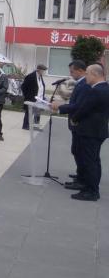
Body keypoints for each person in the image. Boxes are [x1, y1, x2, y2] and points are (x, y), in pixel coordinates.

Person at [58, 65, 109, 201]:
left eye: (87, 74)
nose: (86, 76)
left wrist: (75, 119)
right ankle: (90, 187)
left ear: (94, 74)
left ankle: (91, 191)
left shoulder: (97, 90)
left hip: (90, 131)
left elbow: (83, 108)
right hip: (97, 130)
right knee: (94, 161)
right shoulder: (104, 88)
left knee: (90, 162)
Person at [53, 60, 90, 188]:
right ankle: (80, 175)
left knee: (80, 152)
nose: (70, 74)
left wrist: (61, 107)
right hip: (75, 124)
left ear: (80, 71)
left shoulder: (85, 84)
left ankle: (82, 179)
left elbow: (78, 105)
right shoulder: (80, 83)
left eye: (72, 71)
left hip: (80, 124)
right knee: (76, 150)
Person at [21, 64, 48, 130]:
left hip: (39, 99)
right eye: (43, 71)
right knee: (29, 113)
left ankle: (36, 126)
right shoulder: (31, 76)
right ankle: (25, 126)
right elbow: (23, 87)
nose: (44, 72)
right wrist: (27, 96)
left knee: (37, 113)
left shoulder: (40, 76)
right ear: (39, 70)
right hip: (31, 98)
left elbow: (40, 86)